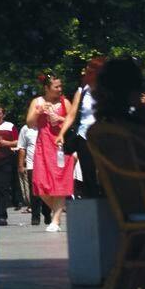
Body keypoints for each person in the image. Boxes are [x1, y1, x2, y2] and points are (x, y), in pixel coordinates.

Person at [25, 74, 75, 232]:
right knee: (39, 184)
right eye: (56, 87)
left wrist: (59, 118)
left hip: (60, 146)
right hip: (43, 145)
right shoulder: (37, 101)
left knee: (60, 183)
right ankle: (58, 212)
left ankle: (56, 220)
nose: (60, 89)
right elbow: (29, 123)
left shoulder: (65, 102)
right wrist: (39, 112)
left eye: (61, 86)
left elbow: (71, 120)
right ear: (46, 88)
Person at [57, 57, 104, 195]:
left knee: (105, 172)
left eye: (90, 72)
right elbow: (71, 114)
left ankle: (108, 204)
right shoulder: (82, 90)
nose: (85, 74)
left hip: (104, 136)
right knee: (88, 173)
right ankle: (91, 205)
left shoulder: (109, 90)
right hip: (85, 136)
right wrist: (61, 133)